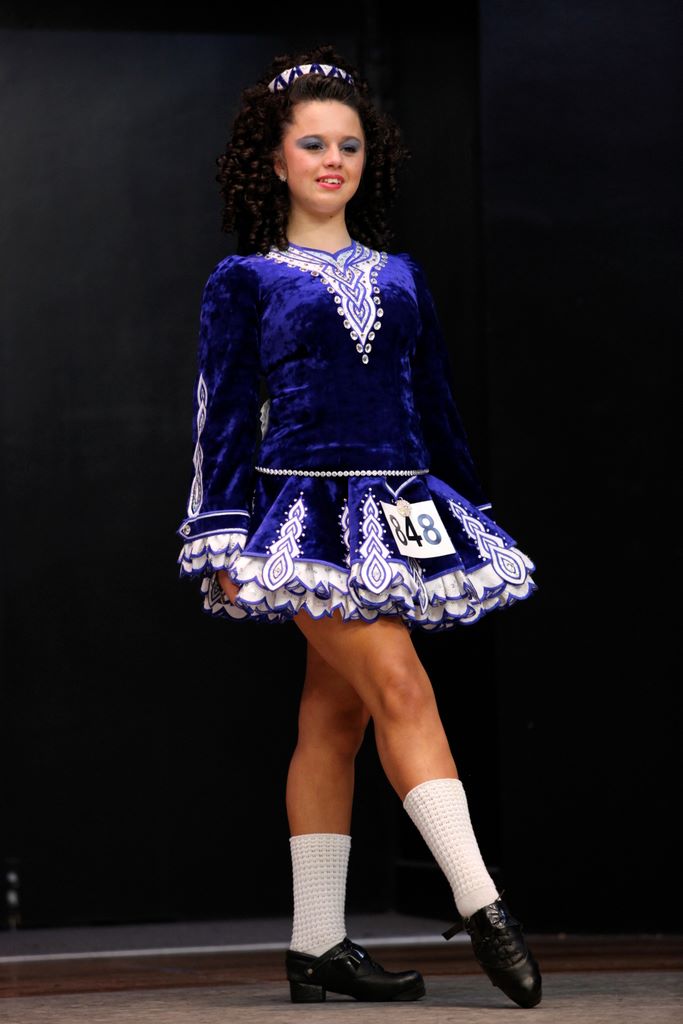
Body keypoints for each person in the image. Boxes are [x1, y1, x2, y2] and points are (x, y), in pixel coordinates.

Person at [176, 43, 542, 1009]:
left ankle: (316, 948)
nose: (331, 160)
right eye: (312, 145)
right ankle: (484, 906)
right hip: (299, 520)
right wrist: (219, 535)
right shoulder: (246, 279)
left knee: (332, 717)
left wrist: (467, 515)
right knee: (401, 686)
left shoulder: (402, 276)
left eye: (348, 145)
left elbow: (435, 408)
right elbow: (222, 413)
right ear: (274, 159)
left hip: (400, 511)